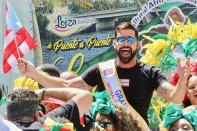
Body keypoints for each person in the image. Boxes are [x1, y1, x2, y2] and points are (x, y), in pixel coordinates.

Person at [17, 22, 191, 123]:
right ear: (115, 44)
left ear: (137, 44)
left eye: (130, 39)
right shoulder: (101, 70)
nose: (125, 43)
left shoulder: (150, 72)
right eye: (120, 39)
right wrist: (34, 74)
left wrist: (182, 79)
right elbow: (67, 86)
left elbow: (174, 97)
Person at [6, 88, 92, 131]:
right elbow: (86, 96)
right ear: (36, 115)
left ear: (7, 116)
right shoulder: (44, 124)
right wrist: (44, 92)